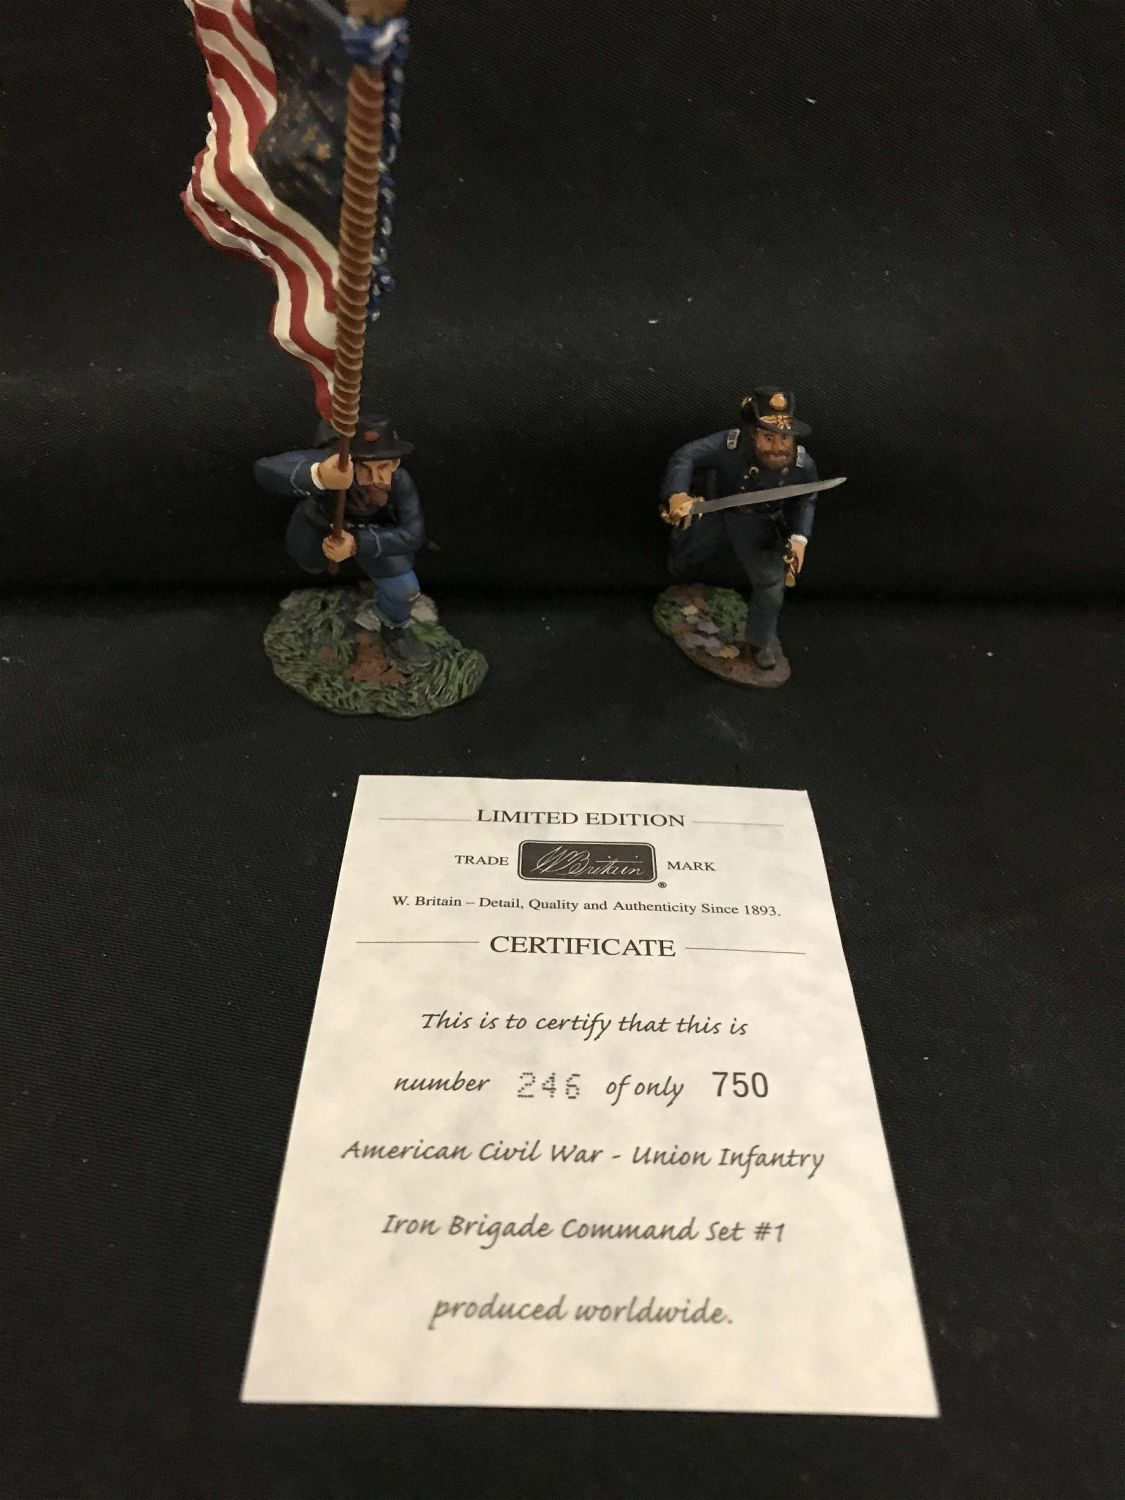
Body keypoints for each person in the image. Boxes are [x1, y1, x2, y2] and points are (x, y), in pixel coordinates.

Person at [254, 415, 432, 667]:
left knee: (404, 590)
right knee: (310, 564)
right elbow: (265, 470)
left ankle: (392, 628)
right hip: (320, 529)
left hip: (374, 537)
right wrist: (319, 476)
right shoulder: (331, 465)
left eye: (383, 468)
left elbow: (412, 534)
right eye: (366, 469)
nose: (375, 478)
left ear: (394, 463)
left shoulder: (400, 482)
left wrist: (357, 543)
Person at [660, 386, 817, 671]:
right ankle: (677, 590)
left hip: (759, 525)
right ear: (752, 434)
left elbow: (806, 499)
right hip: (716, 513)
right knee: (684, 554)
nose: (779, 447)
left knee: (770, 586)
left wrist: (799, 538)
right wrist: (677, 495)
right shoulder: (729, 445)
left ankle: (759, 643)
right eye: (769, 437)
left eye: (785, 437)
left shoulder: (801, 463)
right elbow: (685, 456)